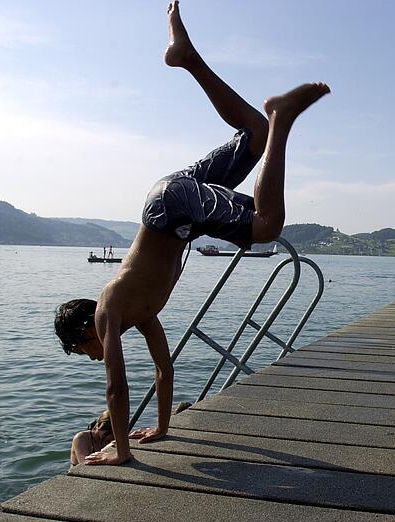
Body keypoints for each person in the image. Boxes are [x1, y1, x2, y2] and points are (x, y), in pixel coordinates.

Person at [53, 1, 330, 466]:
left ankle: (282, 117)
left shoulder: (108, 309)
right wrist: (162, 428)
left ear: (85, 332)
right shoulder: (139, 311)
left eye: (85, 351)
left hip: (171, 210)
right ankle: (186, 57)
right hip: (172, 206)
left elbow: (116, 387)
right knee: (254, 133)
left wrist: (121, 452)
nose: (94, 356)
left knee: (266, 225)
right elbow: (164, 368)